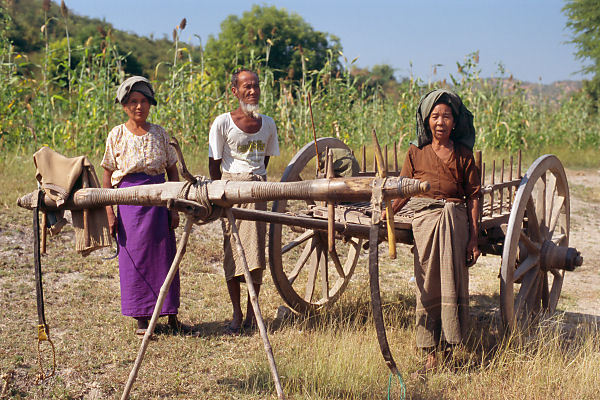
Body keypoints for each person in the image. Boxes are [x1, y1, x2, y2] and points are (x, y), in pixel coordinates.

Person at [392, 88, 481, 375]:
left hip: (454, 222)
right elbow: (403, 188)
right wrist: (388, 210)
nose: (440, 122)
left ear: (455, 122)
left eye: (446, 116)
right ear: (426, 121)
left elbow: (474, 196)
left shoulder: (464, 155)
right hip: (426, 221)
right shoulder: (416, 152)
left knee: (452, 281)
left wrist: (474, 237)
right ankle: (430, 351)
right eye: (435, 116)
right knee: (427, 282)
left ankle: (451, 345)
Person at [101, 76, 186, 337]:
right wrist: (110, 213)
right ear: (125, 106)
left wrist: (174, 207)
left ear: (150, 104)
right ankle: (141, 317)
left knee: (165, 257)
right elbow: (107, 178)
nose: (139, 107)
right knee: (134, 259)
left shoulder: (160, 133)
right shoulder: (116, 134)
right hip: (130, 205)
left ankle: (170, 315)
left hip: (160, 200)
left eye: (144, 101)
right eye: (133, 102)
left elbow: (173, 172)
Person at [208, 68, 279, 335]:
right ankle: (237, 314)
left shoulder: (268, 124)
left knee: (255, 253)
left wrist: (255, 182)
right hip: (230, 190)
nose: (252, 91)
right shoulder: (223, 122)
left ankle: (252, 314)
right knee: (233, 251)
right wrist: (219, 193)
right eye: (246, 86)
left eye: (256, 86)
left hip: (257, 191)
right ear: (234, 91)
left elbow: (264, 162)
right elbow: (214, 163)